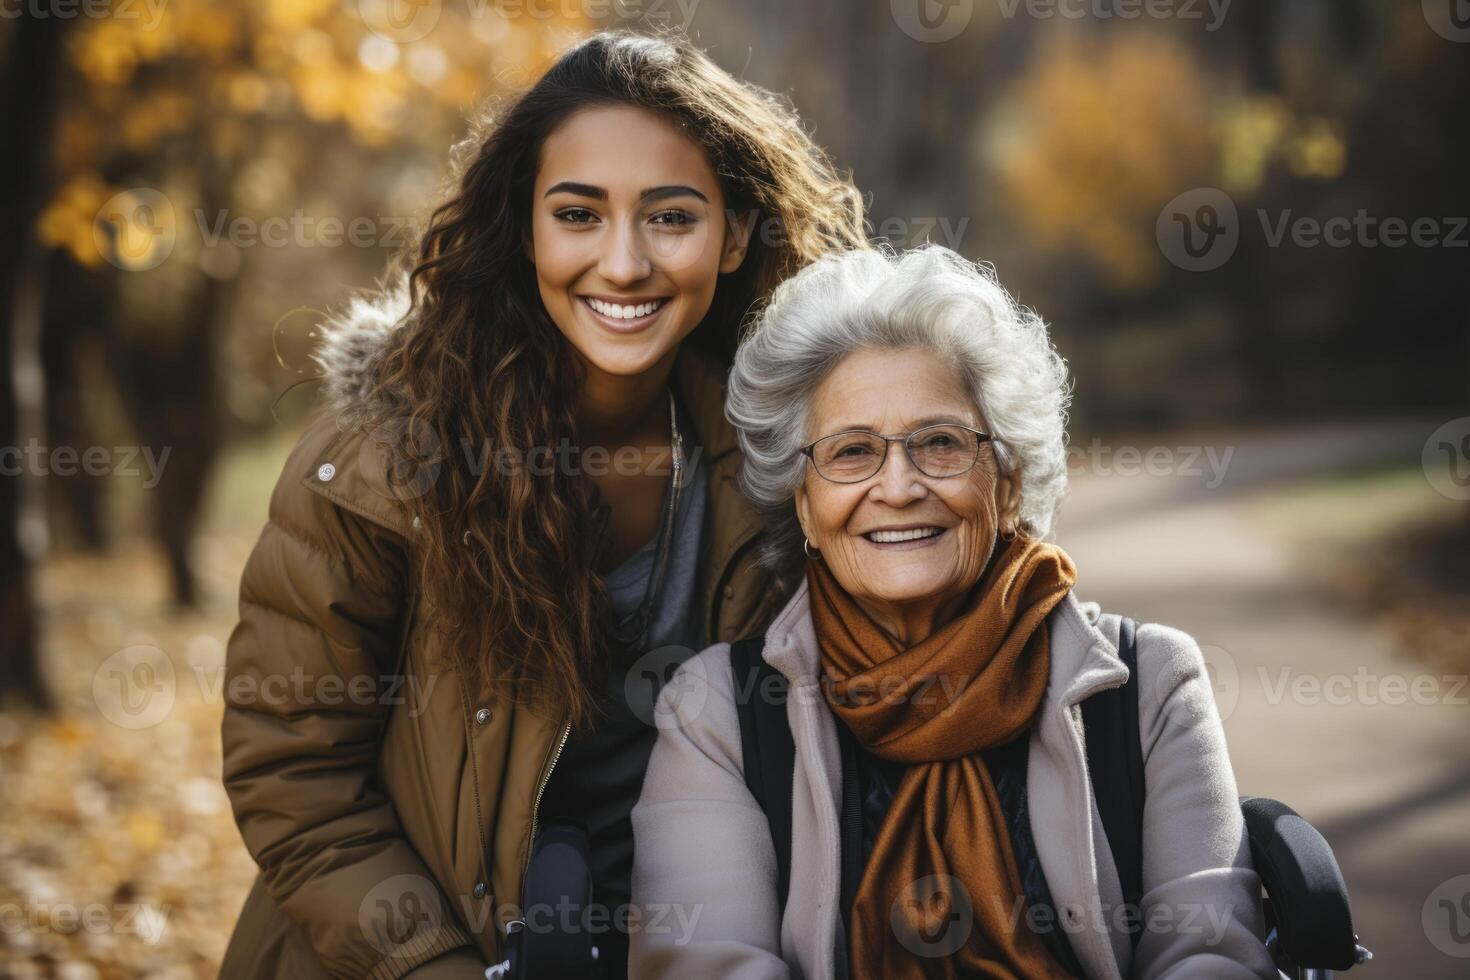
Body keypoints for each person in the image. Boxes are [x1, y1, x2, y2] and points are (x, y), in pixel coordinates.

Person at [219, 31, 866, 980]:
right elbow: (293, 773)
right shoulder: (387, 458)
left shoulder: (783, 461)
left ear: (734, 236)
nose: (624, 262)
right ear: (525, 228)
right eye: (578, 213)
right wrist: (431, 965)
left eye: (671, 217)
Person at [630, 245, 1280, 979]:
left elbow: (1210, 959)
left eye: (940, 444)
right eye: (851, 452)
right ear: (803, 506)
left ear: (1007, 483)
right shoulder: (717, 714)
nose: (899, 486)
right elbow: (710, 968)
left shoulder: (1150, 685)